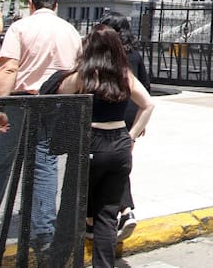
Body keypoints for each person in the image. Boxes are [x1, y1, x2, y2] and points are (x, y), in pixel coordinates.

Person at [0, 0, 81, 252]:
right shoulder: (70, 31)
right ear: (55, 5)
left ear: (30, 4)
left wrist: (0, 106)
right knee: (45, 162)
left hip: (20, 100)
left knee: (1, 159)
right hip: (55, 102)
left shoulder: (21, 27)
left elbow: (8, 68)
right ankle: (43, 230)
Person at [56, 26, 153, 268]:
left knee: (75, 207)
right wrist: (131, 136)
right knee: (107, 215)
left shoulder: (83, 75)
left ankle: (64, 260)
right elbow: (148, 104)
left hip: (91, 140)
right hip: (119, 142)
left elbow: (60, 99)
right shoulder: (123, 74)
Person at [98, 12, 151, 242]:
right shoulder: (135, 54)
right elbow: (147, 87)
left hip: (112, 112)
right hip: (133, 112)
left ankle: (120, 210)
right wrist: (141, 122)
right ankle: (123, 210)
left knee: (112, 165)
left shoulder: (106, 54)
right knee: (121, 161)